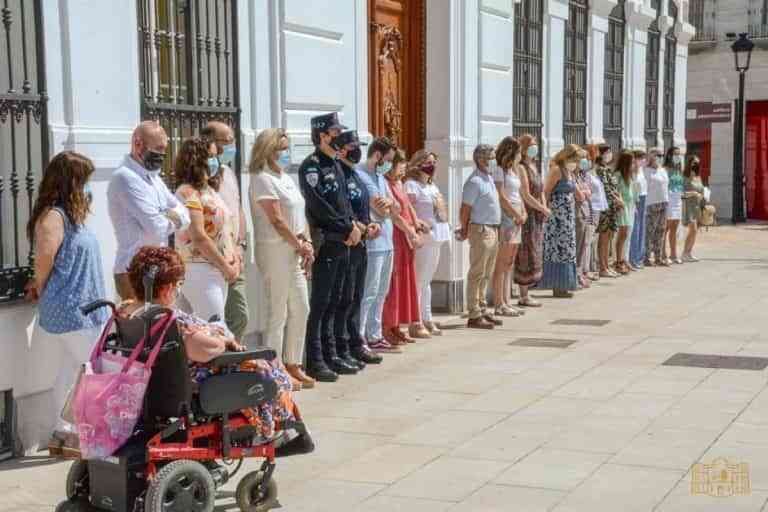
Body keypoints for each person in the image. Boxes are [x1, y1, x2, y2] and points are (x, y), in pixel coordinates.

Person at [121, 246, 307, 449]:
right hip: (189, 387)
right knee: (266, 363)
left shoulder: (127, 313)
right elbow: (203, 350)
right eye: (179, 285)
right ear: (166, 290)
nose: (178, 291)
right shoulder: (172, 321)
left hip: (152, 388)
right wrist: (224, 340)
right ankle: (275, 427)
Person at [24, 151, 109, 457]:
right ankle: (75, 432)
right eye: (84, 180)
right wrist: (38, 285)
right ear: (70, 182)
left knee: (71, 369)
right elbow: (45, 259)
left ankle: (63, 434)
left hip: (85, 307)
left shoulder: (73, 216)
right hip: (70, 310)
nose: (88, 187)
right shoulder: (54, 216)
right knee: (96, 366)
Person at [249, 128, 315, 390]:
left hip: (295, 248)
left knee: (301, 307)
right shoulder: (262, 178)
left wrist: (306, 241)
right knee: (278, 312)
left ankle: (293, 363)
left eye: (287, 148)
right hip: (275, 249)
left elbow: (300, 213)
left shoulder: (285, 177)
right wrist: (299, 244)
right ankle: (273, 368)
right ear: (268, 150)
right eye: (281, 148)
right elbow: (276, 219)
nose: (285, 153)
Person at [297, 112, 361, 382]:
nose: (339, 138)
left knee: (339, 299)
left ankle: (334, 353)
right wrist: (346, 228)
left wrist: (354, 226)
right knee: (321, 303)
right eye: (334, 133)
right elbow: (318, 205)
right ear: (322, 135)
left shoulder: (335, 164)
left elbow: (344, 202)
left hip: (344, 240)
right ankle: (316, 359)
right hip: (328, 241)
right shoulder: (311, 167)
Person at [107, 121, 190, 300]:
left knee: (160, 325)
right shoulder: (126, 178)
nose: (162, 155)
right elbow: (156, 228)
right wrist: (172, 218)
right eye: (158, 149)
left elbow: (184, 213)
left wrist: (169, 217)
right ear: (138, 144)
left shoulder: (154, 179)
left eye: (164, 150)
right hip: (133, 272)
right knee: (139, 326)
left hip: (156, 268)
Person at [332, 129, 384, 365]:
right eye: (353, 146)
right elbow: (341, 209)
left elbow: (361, 208)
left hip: (361, 241)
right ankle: (341, 348)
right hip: (347, 241)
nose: (357, 150)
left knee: (356, 296)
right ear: (342, 148)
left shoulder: (353, 173)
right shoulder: (337, 172)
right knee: (343, 298)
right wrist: (361, 227)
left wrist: (370, 224)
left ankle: (355, 343)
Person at [173, 137, 239, 323]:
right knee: (215, 332)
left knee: (198, 333)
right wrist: (226, 266)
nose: (215, 161)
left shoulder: (209, 190)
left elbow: (226, 229)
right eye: (210, 156)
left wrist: (234, 258)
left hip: (216, 270)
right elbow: (199, 237)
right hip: (201, 270)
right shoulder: (188, 193)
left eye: (215, 156)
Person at [201, 122, 250, 341]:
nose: (232, 146)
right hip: (216, 260)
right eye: (226, 141)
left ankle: (231, 363)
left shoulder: (229, 172)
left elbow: (238, 210)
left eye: (233, 140)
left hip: (235, 255)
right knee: (230, 318)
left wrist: (241, 246)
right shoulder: (204, 178)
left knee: (238, 317)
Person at [355, 137, 402, 354]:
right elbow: (381, 209)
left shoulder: (381, 177)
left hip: (388, 241)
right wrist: (389, 206)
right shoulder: (362, 175)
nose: (390, 165)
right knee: (369, 292)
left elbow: (396, 208)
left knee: (382, 291)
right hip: (373, 244)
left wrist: (391, 204)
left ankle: (375, 335)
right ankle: (360, 336)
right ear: (377, 155)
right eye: (388, 160)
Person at [405, 150, 451, 335]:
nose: (432, 166)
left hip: (436, 237)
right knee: (419, 280)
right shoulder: (411, 186)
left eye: (433, 162)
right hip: (423, 239)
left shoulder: (432, 187)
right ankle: (415, 322)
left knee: (427, 281)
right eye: (428, 162)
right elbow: (407, 210)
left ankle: (427, 317)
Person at [382, 150, 425, 343]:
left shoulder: (399, 183)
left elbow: (408, 206)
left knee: (406, 281)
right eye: (401, 164)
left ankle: (398, 324)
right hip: (397, 236)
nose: (404, 167)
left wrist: (417, 223)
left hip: (407, 237)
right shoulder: (385, 184)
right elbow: (394, 214)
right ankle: (387, 326)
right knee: (394, 282)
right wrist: (410, 231)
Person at [458, 144, 503, 328]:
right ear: (481, 159)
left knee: (487, 273)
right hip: (481, 230)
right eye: (491, 157)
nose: (494, 160)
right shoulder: (474, 181)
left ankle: (483, 308)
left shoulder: (488, 178)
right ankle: (474, 313)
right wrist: (464, 228)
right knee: (477, 272)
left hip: (493, 229)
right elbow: (465, 209)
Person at [537, 144, 580, 297]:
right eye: (575, 158)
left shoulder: (570, 172)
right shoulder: (556, 170)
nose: (577, 162)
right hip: (556, 218)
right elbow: (546, 191)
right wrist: (544, 210)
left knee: (567, 250)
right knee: (557, 250)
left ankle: (565, 284)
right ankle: (557, 285)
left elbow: (576, 192)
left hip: (568, 218)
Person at [491, 137, 526, 316]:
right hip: (507, 216)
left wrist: (523, 212)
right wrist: (516, 214)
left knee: (509, 262)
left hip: (517, 215)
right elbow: (501, 196)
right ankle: (499, 303)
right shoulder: (499, 171)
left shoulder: (514, 171)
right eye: (519, 151)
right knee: (501, 262)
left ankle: (507, 301)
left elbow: (518, 194)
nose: (521, 155)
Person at [514, 135, 549, 308]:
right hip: (528, 213)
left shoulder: (534, 166)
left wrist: (543, 206)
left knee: (535, 250)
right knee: (526, 251)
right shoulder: (521, 168)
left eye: (536, 145)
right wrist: (542, 208)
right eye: (531, 145)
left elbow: (540, 189)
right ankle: (523, 294)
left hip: (537, 214)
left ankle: (528, 290)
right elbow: (525, 194)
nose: (534, 148)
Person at [595, 144, 623, 278]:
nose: (609, 154)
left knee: (610, 236)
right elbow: (605, 188)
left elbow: (614, 187)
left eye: (610, 152)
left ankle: (607, 265)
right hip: (606, 207)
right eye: (606, 152)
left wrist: (618, 198)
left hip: (613, 207)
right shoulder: (600, 170)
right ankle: (602, 267)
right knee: (604, 237)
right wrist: (617, 199)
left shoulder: (608, 169)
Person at [643, 148, 669, 266]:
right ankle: (647, 257)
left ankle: (658, 256)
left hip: (664, 201)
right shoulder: (646, 171)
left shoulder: (662, 170)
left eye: (661, 155)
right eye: (657, 155)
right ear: (651, 156)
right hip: (652, 203)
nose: (659, 157)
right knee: (650, 231)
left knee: (661, 230)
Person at [584, 144, 606, 282]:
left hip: (598, 208)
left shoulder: (593, 171)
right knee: (588, 241)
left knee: (592, 240)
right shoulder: (586, 172)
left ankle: (591, 267)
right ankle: (586, 269)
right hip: (591, 208)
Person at [613, 150, 636, 275]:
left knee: (625, 235)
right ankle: (618, 262)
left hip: (628, 206)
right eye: (632, 162)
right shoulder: (617, 175)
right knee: (621, 235)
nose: (633, 164)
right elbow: (614, 191)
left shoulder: (629, 175)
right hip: (621, 207)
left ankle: (622, 259)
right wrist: (619, 200)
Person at [574, 148, 593, 288]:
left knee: (582, 247)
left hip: (585, 212)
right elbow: (580, 195)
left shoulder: (581, 175)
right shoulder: (572, 176)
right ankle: (576, 275)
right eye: (582, 158)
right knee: (577, 247)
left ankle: (579, 274)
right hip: (577, 213)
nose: (585, 160)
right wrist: (585, 192)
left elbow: (587, 192)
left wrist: (585, 192)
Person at [664, 146, 685, 264]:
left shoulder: (679, 170)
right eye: (675, 154)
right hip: (669, 200)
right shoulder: (666, 169)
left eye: (679, 154)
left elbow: (681, 185)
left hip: (678, 200)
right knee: (666, 228)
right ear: (670, 155)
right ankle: (663, 253)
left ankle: (673, 254)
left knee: (674, 228)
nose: (678, 156)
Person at [682, 155, 705, 262]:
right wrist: (694, 193)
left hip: (697, 206)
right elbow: (682, 193)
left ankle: (689, 253)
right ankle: (685, 253)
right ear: (689, 163)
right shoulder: (685, 177)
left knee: (695, 231)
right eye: (694, 163)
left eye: (697, 163)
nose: (695, 165)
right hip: (688, 205)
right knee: (693, 230)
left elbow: (701, 190)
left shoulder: (698, 177)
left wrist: (703, 196)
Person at [629, 149, 648, 270]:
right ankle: (633, 258)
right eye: (640, 158)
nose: (643, 160)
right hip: (636, 199)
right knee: (635, 228)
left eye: (643, 158)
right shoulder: (632, 171)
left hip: (643, 197)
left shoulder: (641, 170)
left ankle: (639, 256)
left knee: (641, 227)